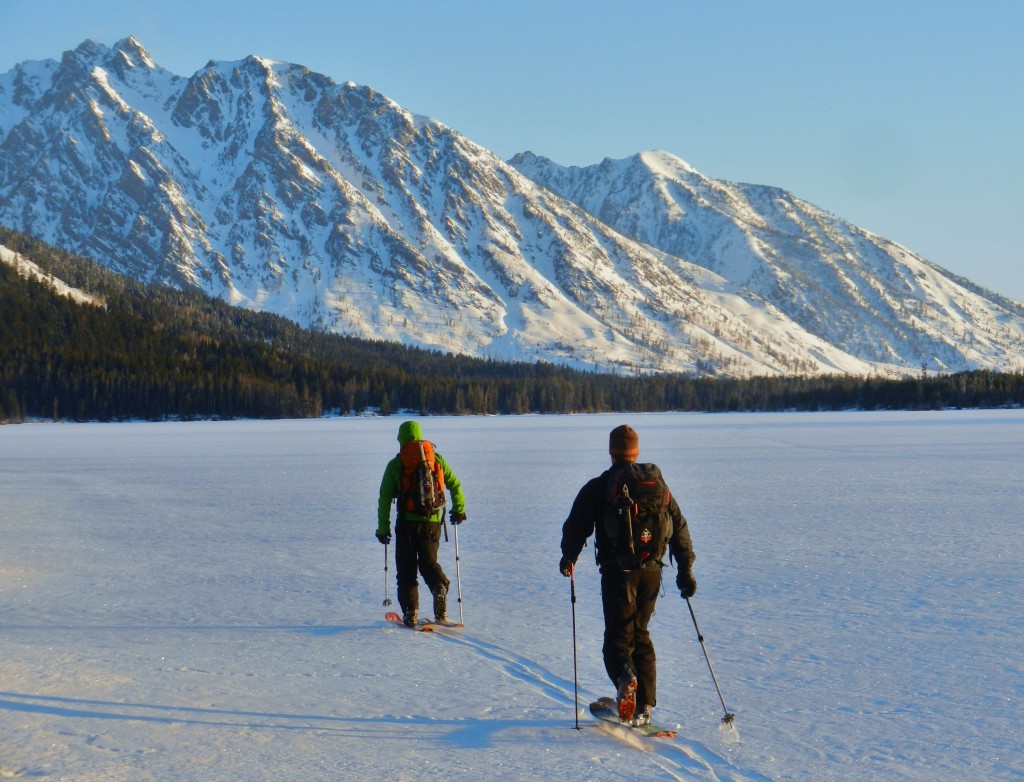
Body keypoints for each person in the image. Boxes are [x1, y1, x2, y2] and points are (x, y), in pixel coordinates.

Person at [559, 424, 696, 726]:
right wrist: (685, 569)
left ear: (612, 452)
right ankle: (644, 705)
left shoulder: (600, 486)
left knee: (617, 639)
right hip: (652, 573)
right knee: (641, 634)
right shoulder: (657, 486)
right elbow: (679, 526)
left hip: (617, 573)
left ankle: (626, 677)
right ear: (635, 451)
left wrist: (569, 557)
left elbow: (577, 524)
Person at [376, 420, 467, 626]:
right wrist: (459, 510)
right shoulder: (437, 460)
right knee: (428, 563)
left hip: (407, 523)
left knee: (406, 569)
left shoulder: (396, 465)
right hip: (432, 522)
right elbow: (455, 484)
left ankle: (410, 612)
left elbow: (384, 499)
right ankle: (439, 587)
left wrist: (383, 529)